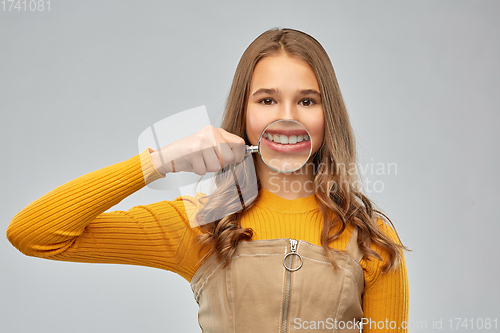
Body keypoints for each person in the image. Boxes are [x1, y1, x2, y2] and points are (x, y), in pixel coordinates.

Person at [6, 28, 409, 332]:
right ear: (244, 115)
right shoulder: (202, 223)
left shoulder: (371, 239)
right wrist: (162, 160)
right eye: (267, 100)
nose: (287, 118)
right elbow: (33, 234)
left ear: (327, 116)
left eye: (307, 100)